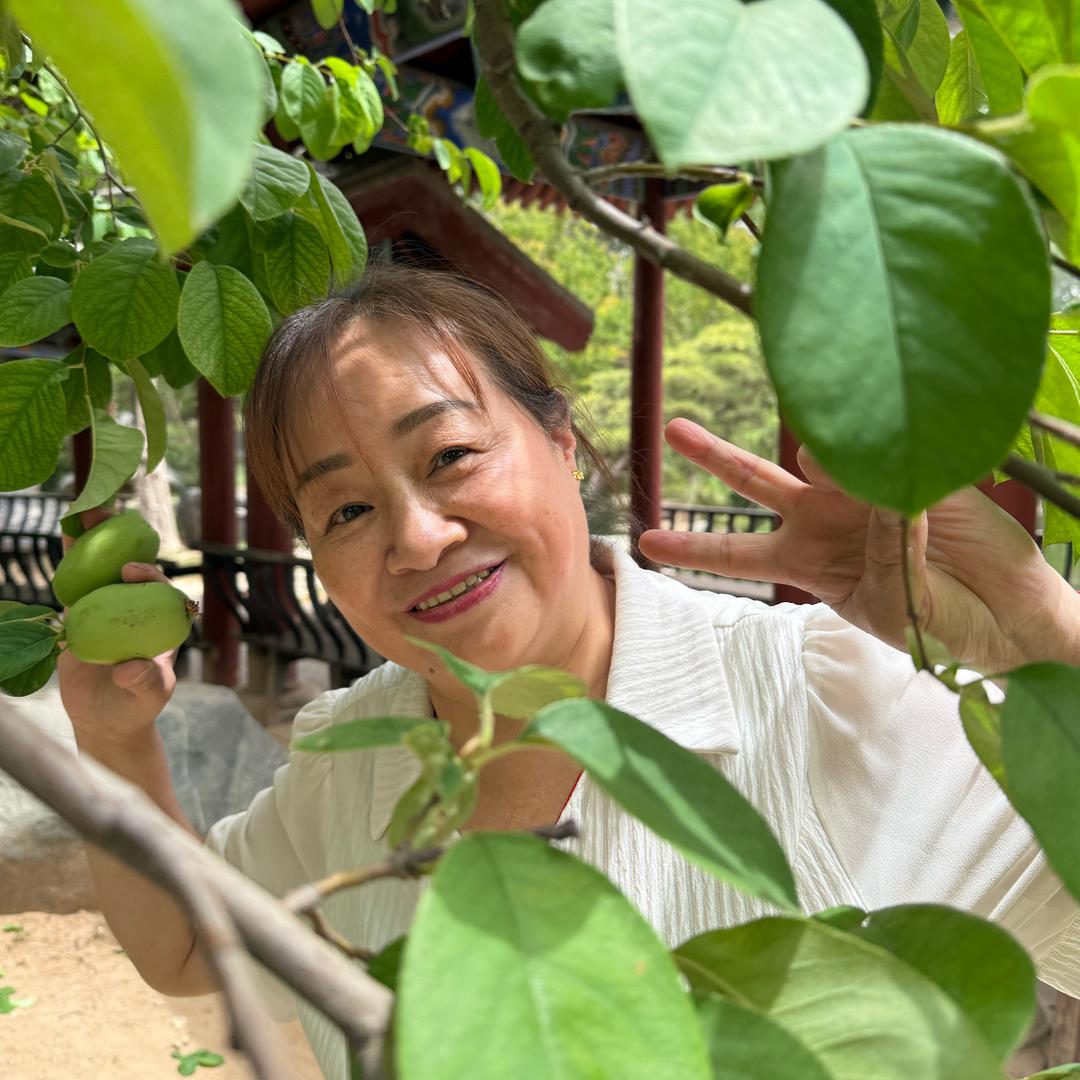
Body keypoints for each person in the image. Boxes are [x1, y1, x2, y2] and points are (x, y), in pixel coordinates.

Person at [59, 264, 1080, 1077]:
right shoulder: (350, 762)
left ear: (558, 441)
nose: (417, 538)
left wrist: (1037, 631)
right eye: (347, 511)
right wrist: (115, 740)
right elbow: (191, 948)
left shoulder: (821, 696)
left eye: (450, 455)